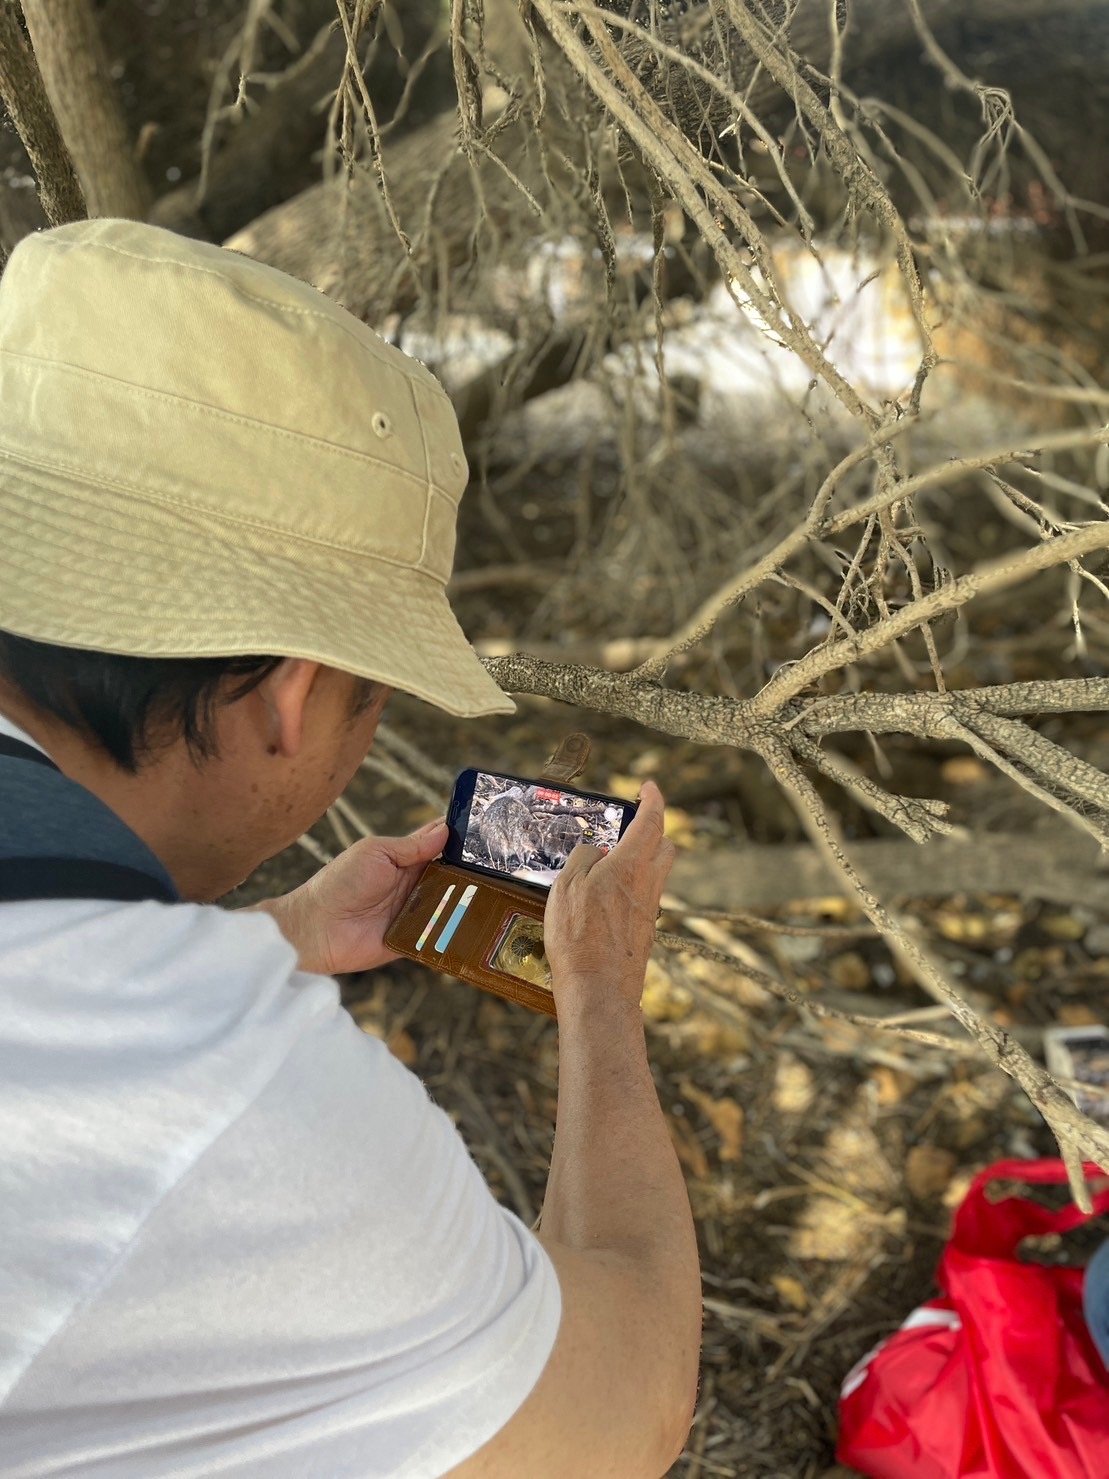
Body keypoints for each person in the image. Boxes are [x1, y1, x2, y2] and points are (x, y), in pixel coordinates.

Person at [0, 220, 701, 1476]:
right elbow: (620, 1411)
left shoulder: (91, 994)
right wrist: (600, 1000)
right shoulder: (208, 1087)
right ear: (290, 690)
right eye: (370, 695)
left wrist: (263, 941)